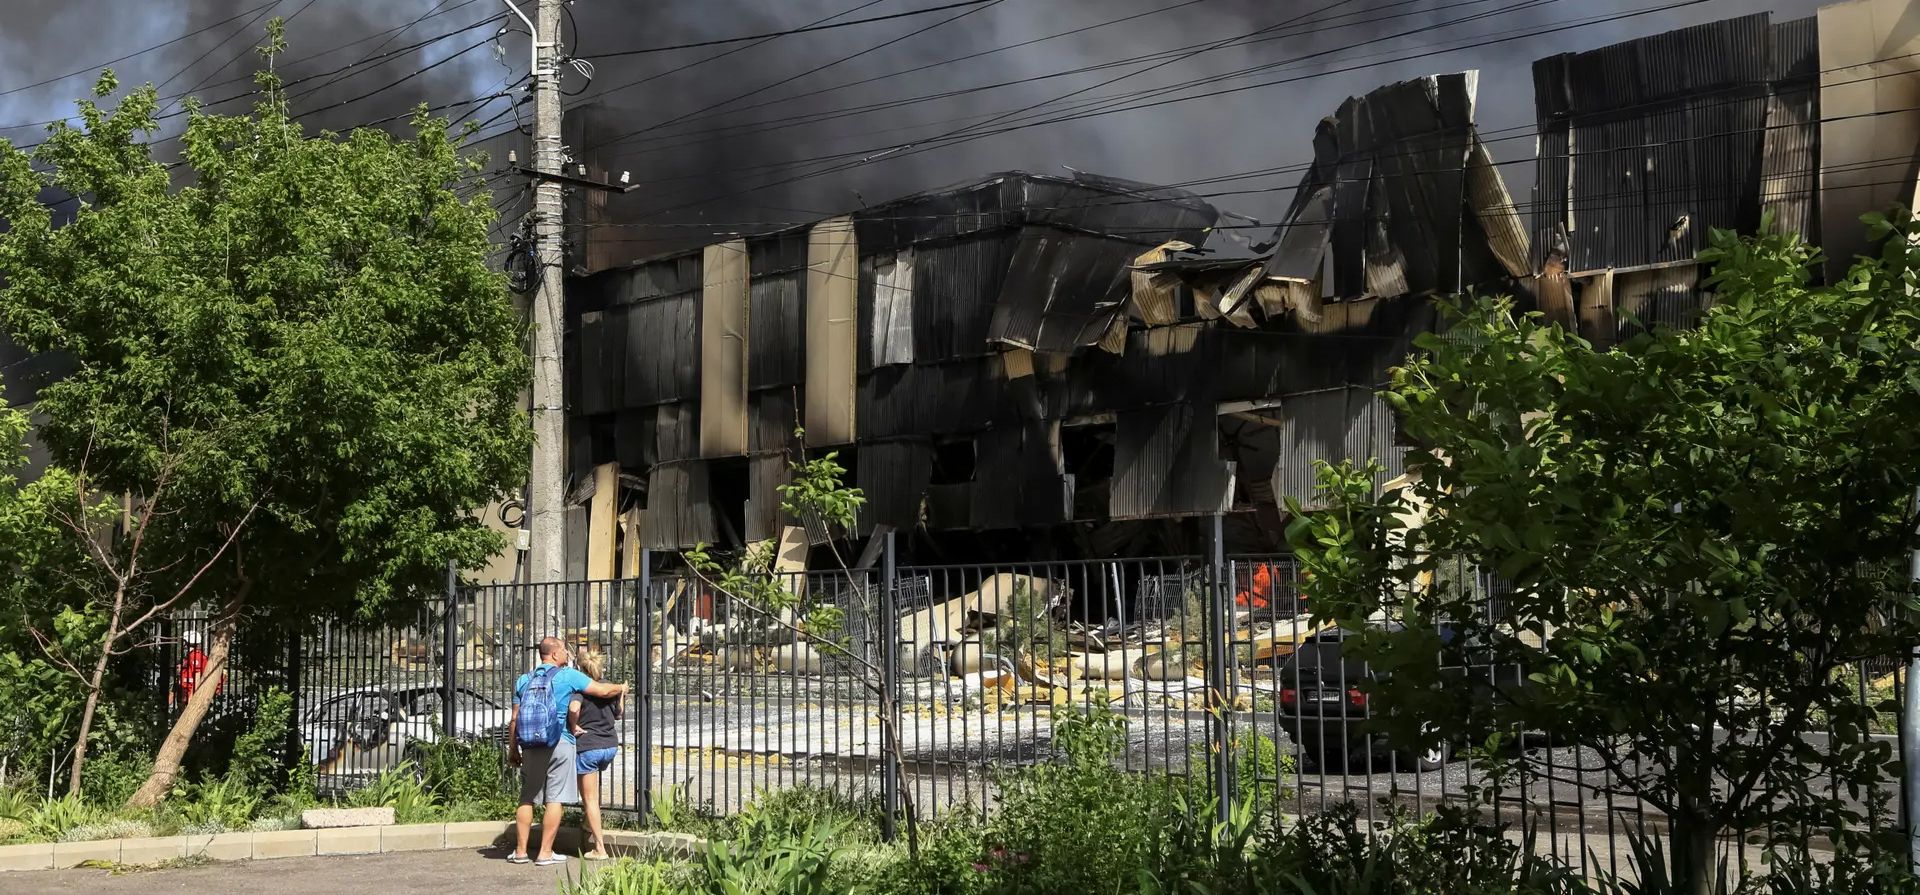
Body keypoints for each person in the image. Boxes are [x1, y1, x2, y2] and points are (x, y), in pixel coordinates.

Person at [506, 637, 629, 866]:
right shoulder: (567, 676)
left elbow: (514, 719)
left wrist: (514, 748)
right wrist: (621, 688)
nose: (567, 655)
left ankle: (520, 852)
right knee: (555, 798)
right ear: (554, 654)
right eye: (564, 650)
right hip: (560, 741)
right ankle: (545, 853)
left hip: (531, 745)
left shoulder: (524, 680)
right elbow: (601, 691)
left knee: (527, 797)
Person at [568, 651, 624, 861]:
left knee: (590, 798)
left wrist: (573, 725)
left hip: (588, 746)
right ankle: (587, 821)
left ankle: (599, 847)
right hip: (609, 745)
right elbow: (618, 714)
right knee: (590, 793)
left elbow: (574, 708)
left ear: (580, 669)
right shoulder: (609, 688)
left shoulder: (581, 688)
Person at [170, 630, 225, 711]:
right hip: (185, 691)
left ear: (186, 642)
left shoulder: (196, 656)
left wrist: (192, 698)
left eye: (184, 641)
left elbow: (197, 677)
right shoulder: (190, 655)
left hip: (190, 693)